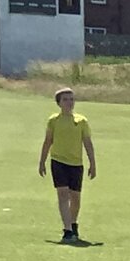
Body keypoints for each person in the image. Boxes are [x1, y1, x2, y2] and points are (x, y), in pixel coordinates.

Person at [38, 88, 97, 245]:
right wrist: (42, 161)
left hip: (76, 164)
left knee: (75, 198)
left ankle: (73, 223)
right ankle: (67, 230)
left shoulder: (81, 121)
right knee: (63, 194)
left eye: (71, 99)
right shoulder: (54, 120)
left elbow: (88, 143)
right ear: (59, 103)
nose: (69, 102)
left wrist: (93, 163)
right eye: (65, 99)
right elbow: (48, 141)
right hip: (58, 161)